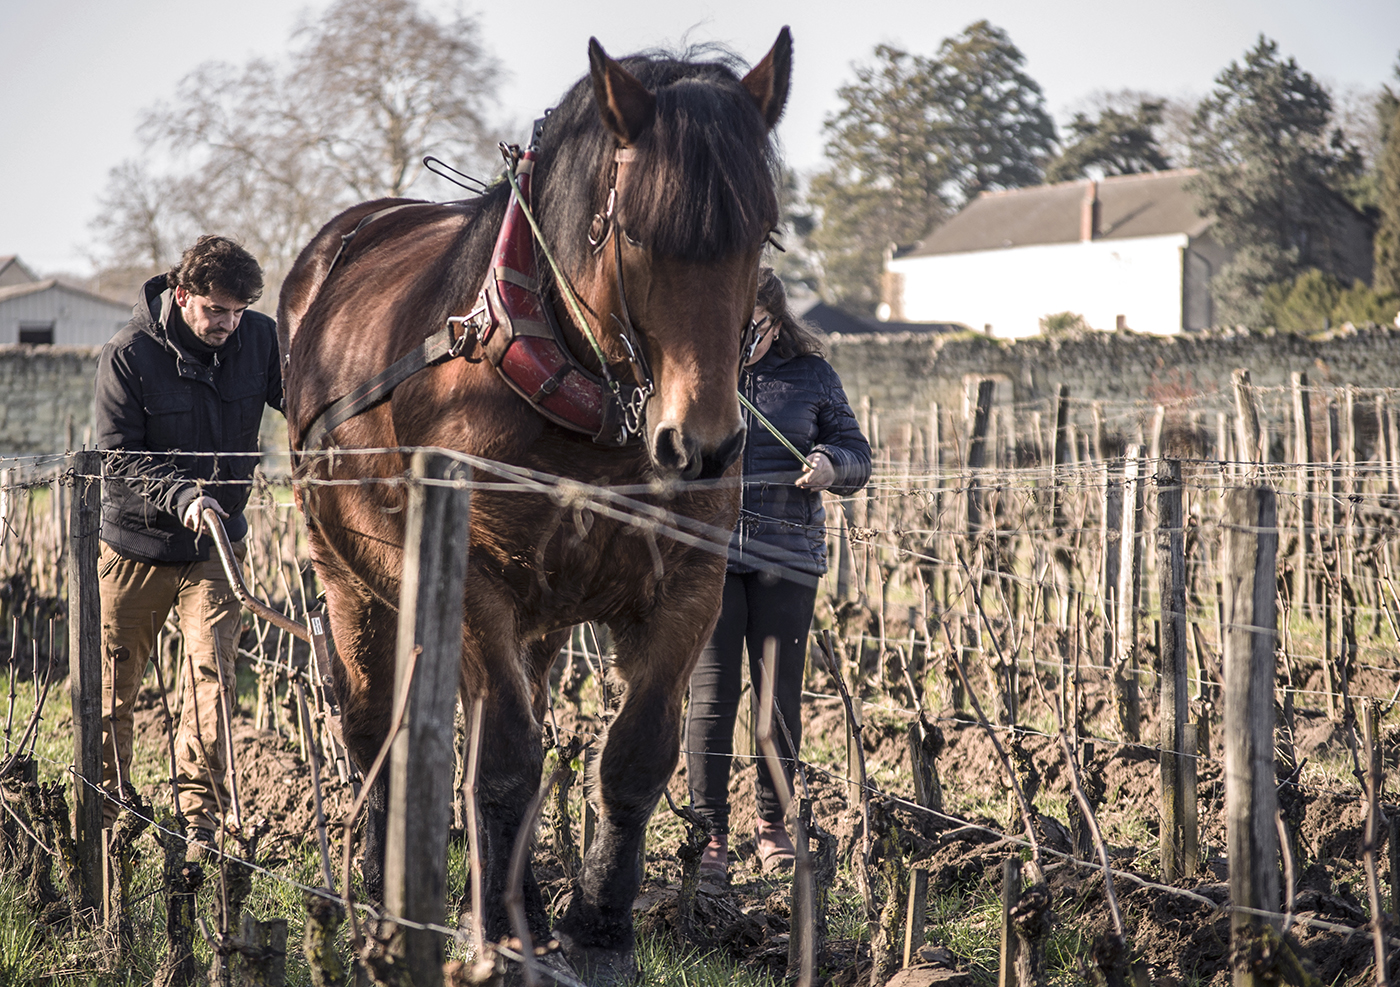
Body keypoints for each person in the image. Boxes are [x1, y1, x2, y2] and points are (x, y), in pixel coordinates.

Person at [94, 235, 282, 845]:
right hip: (135, 548)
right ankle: (112, 806)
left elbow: (309, 402)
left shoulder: (259, 340)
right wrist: (182, 496)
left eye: (239, 311)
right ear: (183, 295)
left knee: (213, 681)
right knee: (113, 686)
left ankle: (198, 820)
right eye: (216, 310)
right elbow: (118, 455)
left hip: (215, 548)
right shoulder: (128, 354)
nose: (229, 323)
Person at [685, 267, 871, 878]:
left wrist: (828, 462)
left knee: (777, 697)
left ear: (776, 320)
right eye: (733, 326)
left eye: (754, 327)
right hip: (710, 555)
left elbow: (856, 452)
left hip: (788, 556)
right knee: (711, 698)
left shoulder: (811, 376)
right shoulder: (701, 371)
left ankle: (770, 825)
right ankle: (709, 833)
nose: (743, 339)